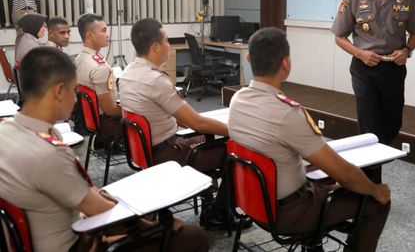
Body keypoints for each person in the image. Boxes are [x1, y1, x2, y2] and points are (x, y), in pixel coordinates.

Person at [0, 47, 209, 252]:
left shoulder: (6, 130)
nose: (76, 100)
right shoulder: (48, 153)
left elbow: (78, 193)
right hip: (76, 244)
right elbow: (101, 211)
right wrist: (156, 224)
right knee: (193, 237)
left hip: (43, 232)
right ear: (59, 90)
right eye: (74, 91)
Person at [228, 28, 391, 252]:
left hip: (252, 203)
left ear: (248, 60)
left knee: (321, 178)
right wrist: (375, 190)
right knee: (375, 203)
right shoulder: (287, 113)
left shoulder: (237, 99)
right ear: (286, 64)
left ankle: (312, 245)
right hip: (288, 214)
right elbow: (343, 174)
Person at [118, 18, 243, 230]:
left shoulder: (129, 72)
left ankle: (209, 199)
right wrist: (237, 131)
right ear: (156, 47)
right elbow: (196, 122)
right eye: (167, 41)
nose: (169, 45)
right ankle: (218, 213)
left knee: (206, 138)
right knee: (235, 152)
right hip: (169, 154)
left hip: (148, 150)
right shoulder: (155, 80)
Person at [331, 0, 415, 145]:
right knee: (368, 128)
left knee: (391, 125)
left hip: (393, 69)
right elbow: (339, 36)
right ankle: (370, 176)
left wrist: (407, 50)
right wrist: (360, 53)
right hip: (364, 69)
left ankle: (377, 167)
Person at [75, 13, 122, 141]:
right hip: (108, 123)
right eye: (104, 30)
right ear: (90, 35)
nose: (108, 34)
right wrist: (134, 110)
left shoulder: (80, 58)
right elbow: (110, 110)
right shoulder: (100, 67)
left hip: (90, 119)